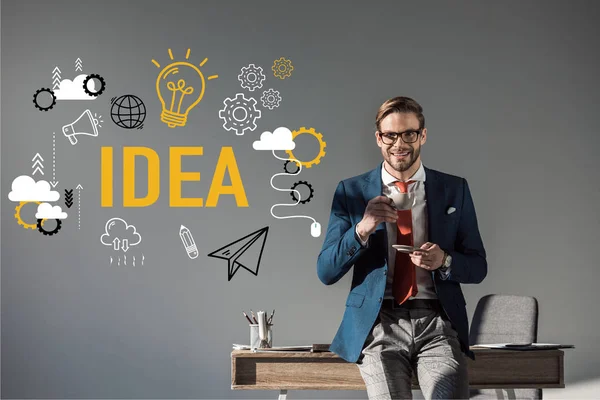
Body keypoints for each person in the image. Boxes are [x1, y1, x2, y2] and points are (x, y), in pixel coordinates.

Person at [317, 96, 487, 399]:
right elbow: (326, 271)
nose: (399, 144)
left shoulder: (453, 189)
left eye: (408, 133)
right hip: (380, 323)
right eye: (390, 135)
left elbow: (478, 265)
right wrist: (362, 228)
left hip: (438, 324)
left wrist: (444, 261)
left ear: (422, 135)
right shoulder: (352, 191)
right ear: (378, 139)